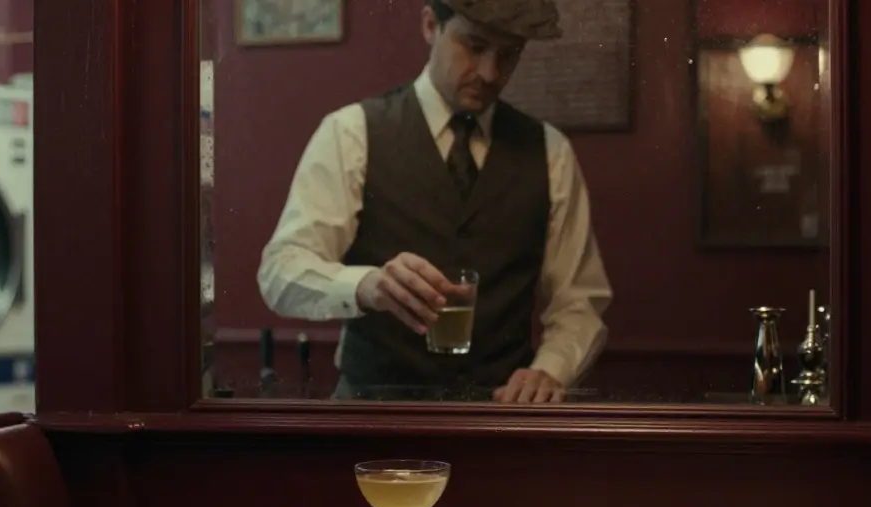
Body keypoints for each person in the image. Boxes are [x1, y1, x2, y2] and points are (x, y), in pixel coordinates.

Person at [256, 0, 612, 403]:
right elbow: (280, 273)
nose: (489, 73)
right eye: (474, 46)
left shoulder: (551, 152)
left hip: (499, 422)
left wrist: (550, 370)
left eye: (508, 54)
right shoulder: (350, 134)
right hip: (370, 418)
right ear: (430, 25)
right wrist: (366, 285)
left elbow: (579, 301)